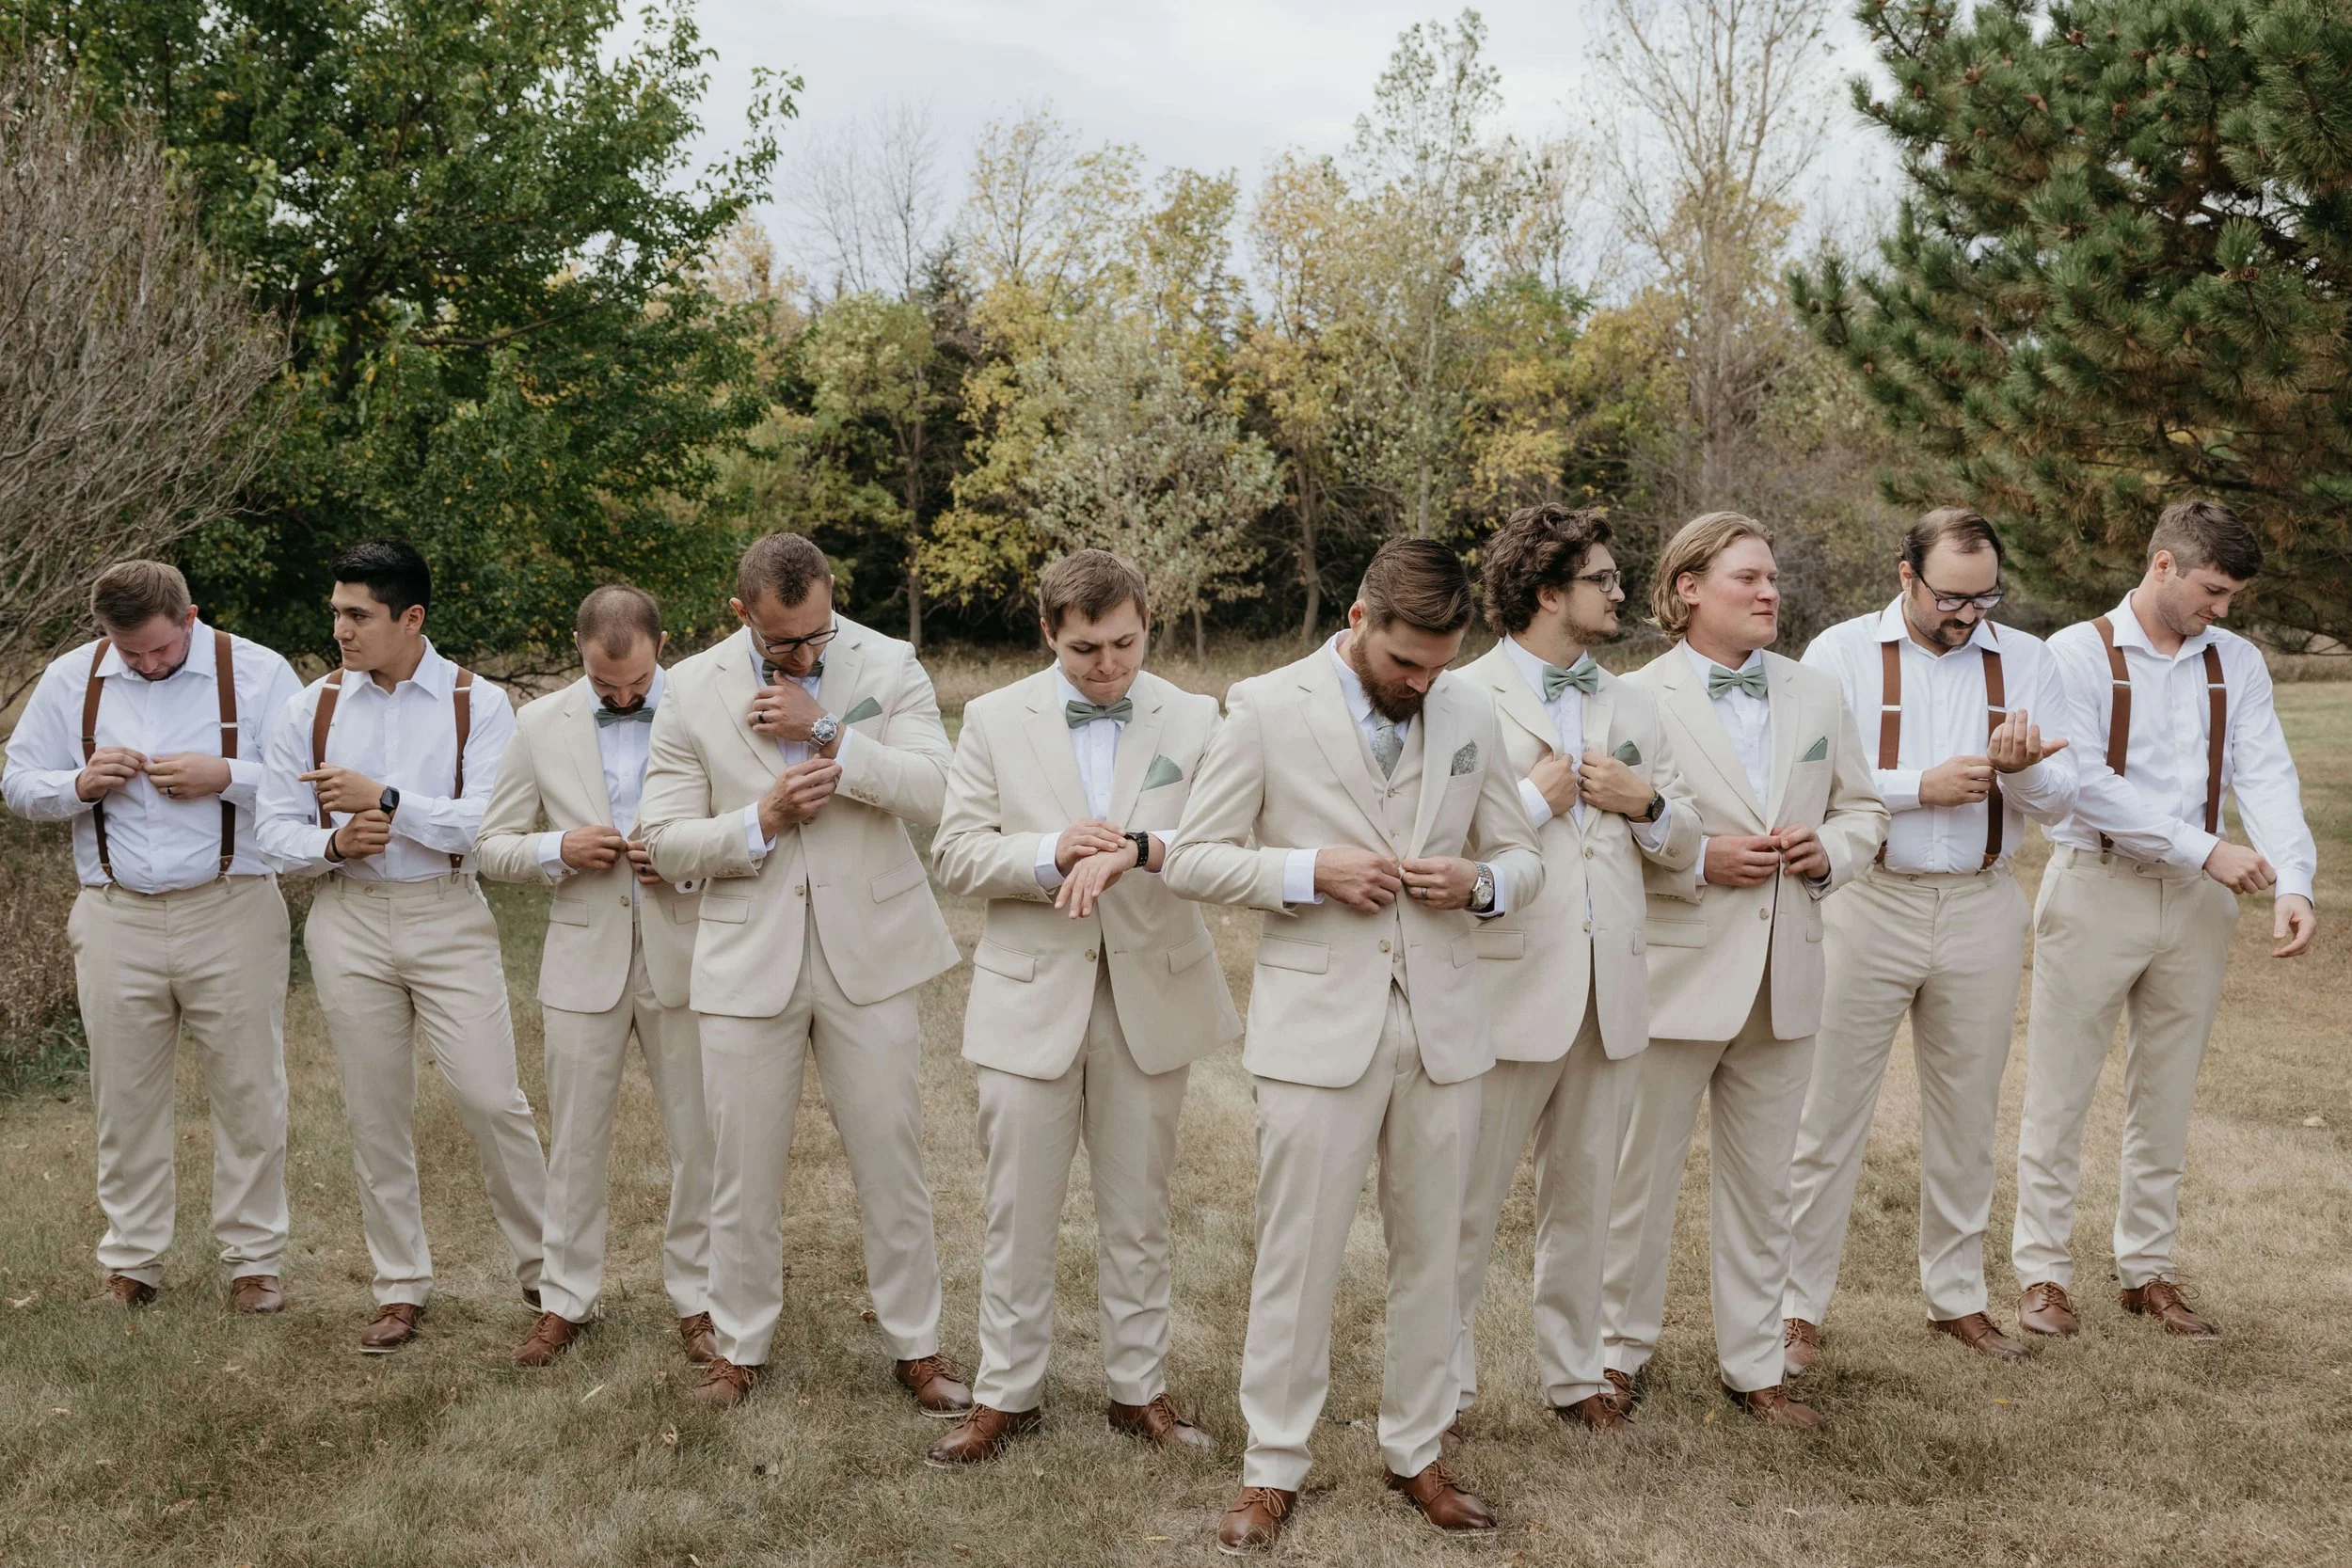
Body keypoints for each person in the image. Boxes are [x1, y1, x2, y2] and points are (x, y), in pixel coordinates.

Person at [1166, 539, 1543, 1553]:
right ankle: (1271, 1464)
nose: (1424, 682)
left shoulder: (1467, 710)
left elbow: (1522, 853)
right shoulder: (1263, 702)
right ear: (1358, 616)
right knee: (1299, 1252)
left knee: (1437, 1251)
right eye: (1406, 663)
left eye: (1439, 664)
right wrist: (1307, 869)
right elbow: (1193, 857)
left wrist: (1482, 884)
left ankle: (1417, 1449)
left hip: (1444, 1022)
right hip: (1316, 1025)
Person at [637, 531, 968, 1416]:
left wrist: (827, 731)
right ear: (743, 615)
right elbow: (664, 841)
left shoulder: (890, 663)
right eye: (787, 642)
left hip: (874, 949)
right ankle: (740, 1345)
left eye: (820, 632)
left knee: (892, 1155)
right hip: (748, 954)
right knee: (738, 1164)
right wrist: (762, 818)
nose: (809, 651)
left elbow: (942, 792)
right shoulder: (692, 690)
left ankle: (919, 1345)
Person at [926, 549, 1239, 1467]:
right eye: (1084, 648)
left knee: (1137, 1207)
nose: (1106, 665)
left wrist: (1143, 847)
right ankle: (1004, 1393)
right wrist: (1047, 849)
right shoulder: (990, 716)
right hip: (1030, 996)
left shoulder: (1197, 714)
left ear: (1149, 622)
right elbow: (954, 854)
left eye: (1124, 643)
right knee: (1016, 1206)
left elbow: (1228, 841)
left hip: (1152, 990)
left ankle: (1137, 1389)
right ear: (1047, 634)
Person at [1600, 512, 1886, 1429]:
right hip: (1673, 976)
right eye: (1747, 578)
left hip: (1787, 972)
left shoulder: (1814, 693)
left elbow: (1865, 812)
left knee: (1767, 1184)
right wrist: (1694, 859)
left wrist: (1827, 848)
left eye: (1773, 578)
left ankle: (1755, 1360)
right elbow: (1604, 840)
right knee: (1634, 1178)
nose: (1771, 592)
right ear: (1686, 586)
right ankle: (1613, 1354)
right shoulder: (1630, 698)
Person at [2010, 499, 2319, 1340]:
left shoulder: (2237, 660)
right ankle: (2041, 1272)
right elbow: (2081, 781)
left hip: (2196, 905)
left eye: (2231, 596)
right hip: (2095, 884)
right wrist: (2204, 848)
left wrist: (2294, 877)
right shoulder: (2073, 653)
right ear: (2162, 566)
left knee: (2168, 1090)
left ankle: (2147, 1270)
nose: (2221, 608)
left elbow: (2265, 771)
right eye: (2212, 589)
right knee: (2060, 1088)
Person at [1784, 507, 2081, 1371]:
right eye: (1952, 595)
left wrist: (2028, 775)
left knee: (1967, 1112)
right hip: (1866, 899)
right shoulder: (1837, 652)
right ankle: (1796, 1305)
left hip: (1986, 902)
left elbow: (2066, 800)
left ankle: (1957, 1298)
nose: (1969, 612)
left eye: (1986, 595)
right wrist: (1920, 784)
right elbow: (1805, 780)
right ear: (1906, 575)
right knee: (1826, 1113)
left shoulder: (2028, 659)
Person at [256, 538, 549, 1354]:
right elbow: (272, 830)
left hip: (448, 914)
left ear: (410, 617)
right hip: (348, 918)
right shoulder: (307, 709)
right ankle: (399, 1285)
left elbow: (493, 819)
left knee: (494, 1098)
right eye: (337, 613)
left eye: (358, 615)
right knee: (374, 1107)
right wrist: (334, 845)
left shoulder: (476, 702)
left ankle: (550, 1273)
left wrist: (389, 799)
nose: (342, 630)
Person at [1449, 504, 1699, 1438]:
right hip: (1502, 987)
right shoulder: (1462, 697)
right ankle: (1442, 1389)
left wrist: (1648, 803)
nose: (1620, 590)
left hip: (1612, 991)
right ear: (1547, 592)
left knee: (1587, 1198)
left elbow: (1684, 848)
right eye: (1602, 577)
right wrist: (1532, 797)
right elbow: (1443, 844)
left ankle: (1574, 1373)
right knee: (1463, 1203)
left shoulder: (1637, 705)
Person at [3, 561, 301, 1312]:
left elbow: (309, 782)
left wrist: (223, 773)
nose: (147, 664)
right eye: (130, 652)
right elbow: (16, 781)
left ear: (191, 616)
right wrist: (77, 783)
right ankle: (133, 1261)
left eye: (161, 650)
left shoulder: (259, 673)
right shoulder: (72, 679)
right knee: (123, 1096)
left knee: (248, 1089)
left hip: (230, 903)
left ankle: (253, 1262)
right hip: (114, 914)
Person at [477, 585, 716, 1369]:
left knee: (700, 1137)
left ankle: (701, 1297)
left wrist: (682, 861)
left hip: (687, 949)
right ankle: (565, 1298)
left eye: (636, 686)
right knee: (575, 1140)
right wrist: (558, 849)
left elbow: (746, 833)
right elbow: (492, 844)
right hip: (583, 957)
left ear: (662, 644)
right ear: (578, 647)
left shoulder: (708, 708)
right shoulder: (539, 722)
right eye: (604, 684)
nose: (621, 696)